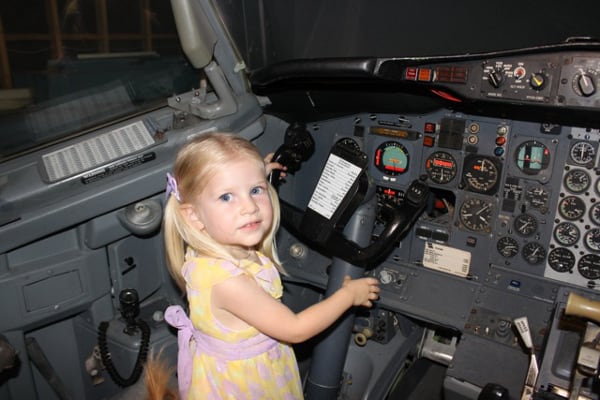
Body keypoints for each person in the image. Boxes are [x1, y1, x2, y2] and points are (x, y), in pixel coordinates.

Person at [160, 132, 380, 400]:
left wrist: (259, 171)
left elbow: (234, 188)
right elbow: (296, 329)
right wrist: (348, 295)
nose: (250, 207)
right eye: (227, 197)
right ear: (194, 216)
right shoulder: (228, 283)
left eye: (255, 191)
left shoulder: (209, 244)